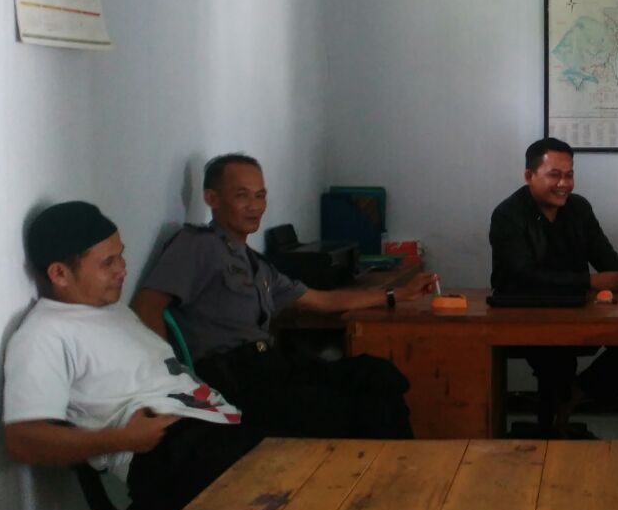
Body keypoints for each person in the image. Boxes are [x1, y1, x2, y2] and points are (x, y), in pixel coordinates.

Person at [132, 154, 438, 440]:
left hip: (271, 367)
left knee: (379, 375)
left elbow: (322, 301)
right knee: (360, 411)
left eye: (260, 195)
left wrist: (396, 294)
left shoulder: (256, 264)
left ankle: (401, 470)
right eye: (242, 196)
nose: (254, 206)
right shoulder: (197, 245)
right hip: (233, 382)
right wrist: (174, 381)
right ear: (212, 198)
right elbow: (147, 306)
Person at [3, 201, 261, 510]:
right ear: (60, 274)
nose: (122, 269)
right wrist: (121, 439)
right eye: (107, 262)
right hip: (170, 455)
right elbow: (21, 440)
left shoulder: (114, 310)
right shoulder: (43, 334)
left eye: (120, 256)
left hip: (214, 422)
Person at [488, 137, 618, 437]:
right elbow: (523, 275)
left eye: (569, 174)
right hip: (522, 315)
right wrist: (589, 282)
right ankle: (554, 426)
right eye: (555, 175)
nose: (564, 183)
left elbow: (606, 257)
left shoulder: (579, 209)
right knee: (556, 358)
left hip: (576, 310)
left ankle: (577, 393)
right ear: (529, 176)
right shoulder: (508, 215)